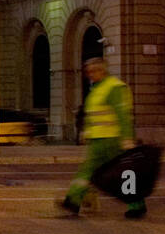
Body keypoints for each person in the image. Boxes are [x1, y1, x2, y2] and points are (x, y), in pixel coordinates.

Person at [61, 57, 146, 219]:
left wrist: (127, 138)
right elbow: (94, 115)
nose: (90, 75)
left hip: (114, 139)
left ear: (103, 70)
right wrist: (88, 132)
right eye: (88, 72)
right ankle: (72, 201)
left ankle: (137, 205)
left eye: (93, 71)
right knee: (87, 171)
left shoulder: (114, 87)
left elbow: (123, 114)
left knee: (124, 174)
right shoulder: (97, 89)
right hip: (99, 140)